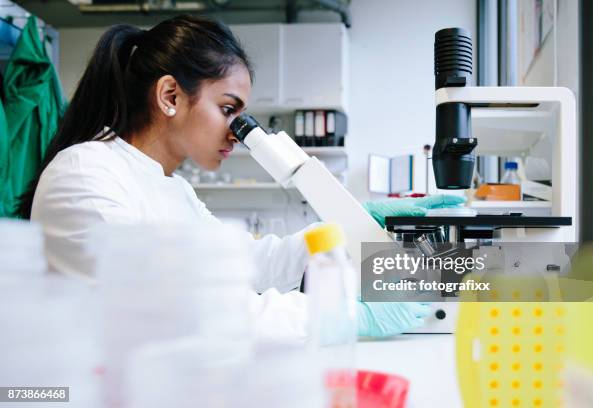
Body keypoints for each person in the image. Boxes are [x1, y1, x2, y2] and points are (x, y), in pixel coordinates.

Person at [16, 15, 442, 343]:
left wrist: (349, 223)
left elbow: (249, 263)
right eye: (227, 110)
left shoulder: (173, 189)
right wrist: (340, 314)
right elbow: (178, 313)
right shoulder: (85, 174)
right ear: (170, 96)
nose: (237, 133)